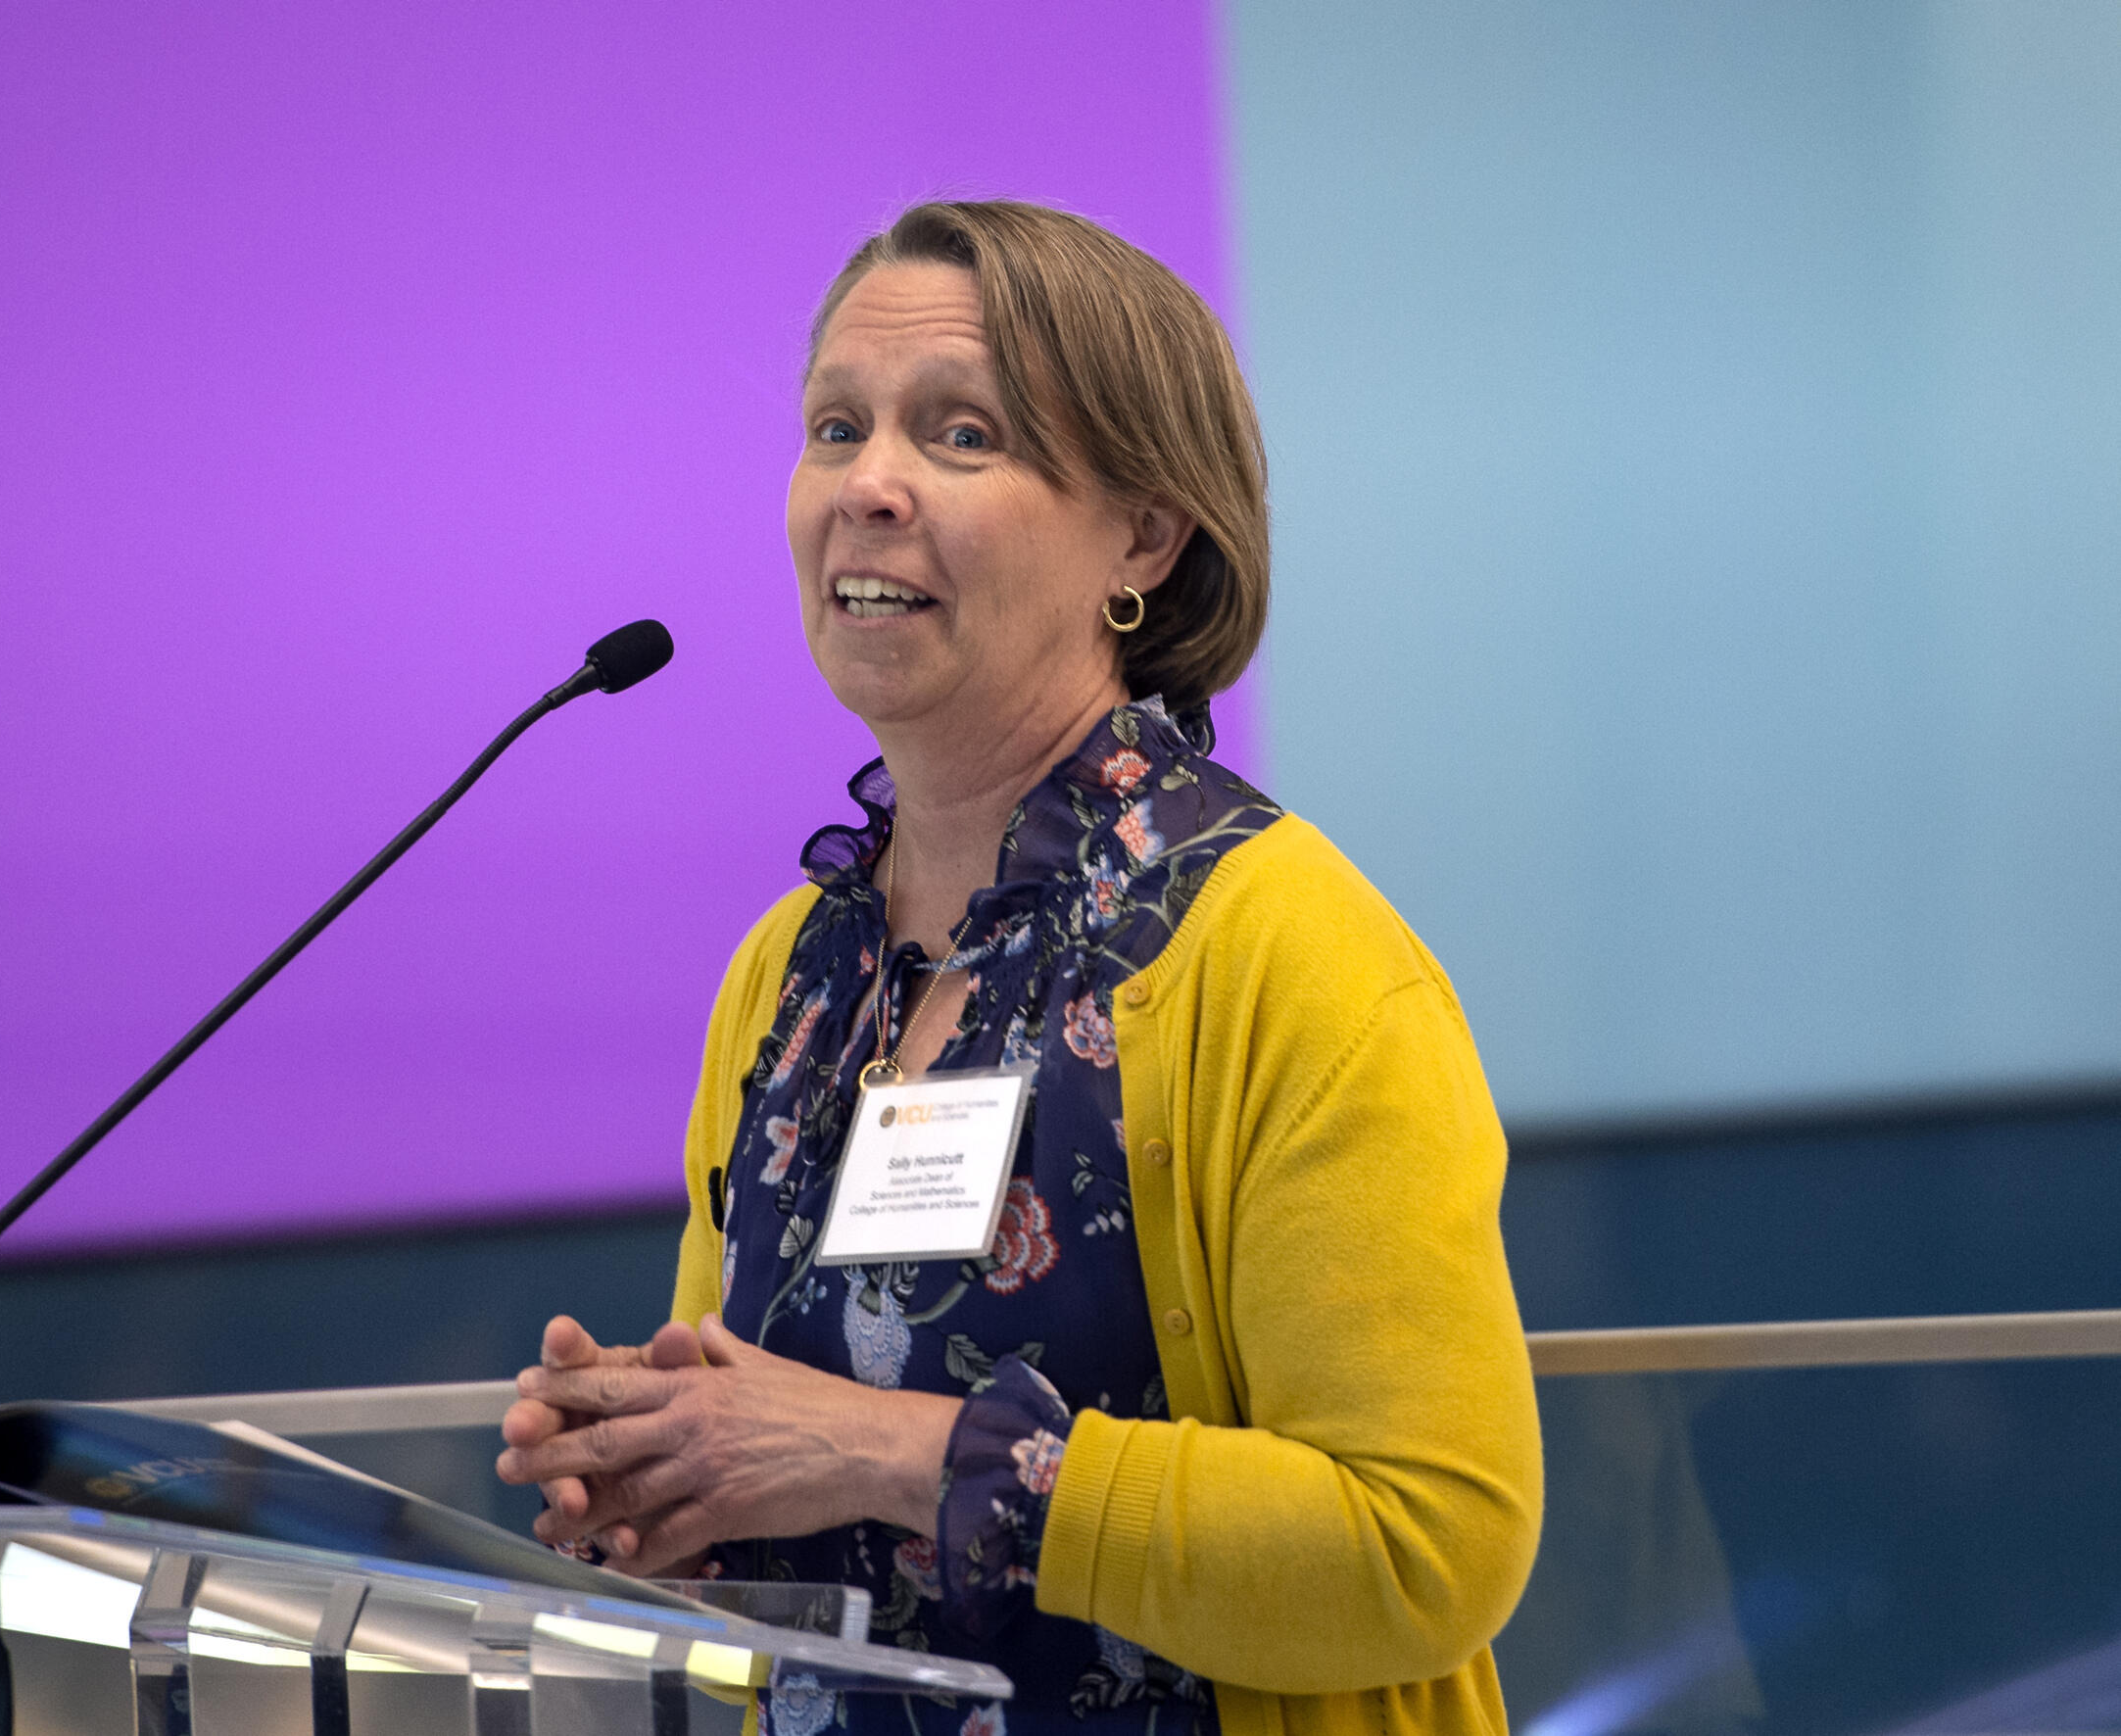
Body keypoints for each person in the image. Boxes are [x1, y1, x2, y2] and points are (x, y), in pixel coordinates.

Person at [497, 200, 1543, 1736]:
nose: (868, 487)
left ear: (1143, 534)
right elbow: (779, 1469)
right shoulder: (786, 977)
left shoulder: (1286, 955)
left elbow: (1421, 1545)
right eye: (835, 427)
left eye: (962, 435)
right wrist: (662, 1477)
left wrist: (889, 1449)